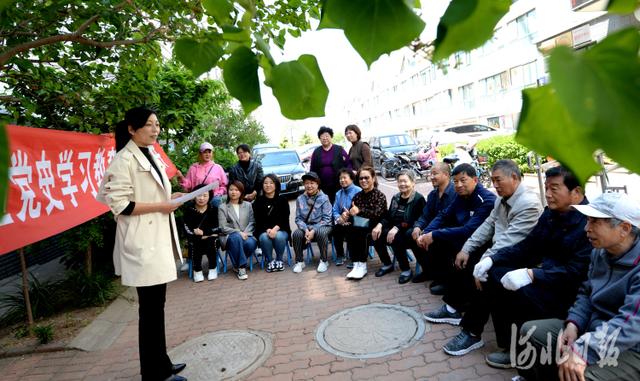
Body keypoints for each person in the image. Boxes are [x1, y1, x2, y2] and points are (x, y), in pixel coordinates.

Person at [440, 166, 591, 369]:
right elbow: (527, 246)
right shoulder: (551, 214)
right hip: (545, 273)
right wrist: (492, 260)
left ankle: (517, 351)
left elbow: (576, 272)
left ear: (577, 193)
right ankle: (479, 334)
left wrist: (532, 274)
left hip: (568, 289)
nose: (547, 194)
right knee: (492, 273)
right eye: (546, 188)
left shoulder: (589, 224)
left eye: (554, 189)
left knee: (516, 291)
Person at [96, 107, 187, 381]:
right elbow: (120, 205)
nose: (155, 129)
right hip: (142, 245)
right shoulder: (123, 161)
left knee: (156, 308)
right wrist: (162, 205)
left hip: (155, 241)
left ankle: (162, 362)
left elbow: (157, 191)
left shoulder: (151, 154)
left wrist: (175, 196)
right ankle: (153, 374)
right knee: (149, 312)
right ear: (132, 129)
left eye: (157, 124)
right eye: (149, 125)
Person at [518, 192, 640, 381]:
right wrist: (574, 324)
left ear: (624, 228)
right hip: (595, 330)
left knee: (582, 375)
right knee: (532, 331)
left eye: (594, 222)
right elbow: (586, 291)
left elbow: (630, 325)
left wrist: (583, 350)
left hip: (631, 346)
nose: (586, 228)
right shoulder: (600, 253)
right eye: (587, 220)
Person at [424, 159, 542, 325]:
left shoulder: (528, 203)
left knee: (481, 268)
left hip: (521, 255)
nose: (495, 185)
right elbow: (487, 226)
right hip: (502, 249)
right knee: (465, 252)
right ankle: (454, 306)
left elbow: (509, 239)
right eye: (493, 180)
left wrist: (485, 262)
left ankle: (470, 328)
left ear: (514, 177)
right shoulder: (500, 200)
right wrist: (466, 248)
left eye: (498, 180)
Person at [413, 163, 496, 294]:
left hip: (482, 243)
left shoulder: (486, 200)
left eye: (463, 181)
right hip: (464, 237)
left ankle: (458, 297)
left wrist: (434, 234)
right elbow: (444, 215)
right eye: (455, 181)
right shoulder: (460, 196)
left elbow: (469, 230)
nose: (458, 185)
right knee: (435, 243)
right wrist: (427, 232)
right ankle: (445, 280)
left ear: (475, 180)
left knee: (442, 241)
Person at [371, 170, 426, 284]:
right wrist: (379, 225)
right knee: (376, 234)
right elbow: (389, 216)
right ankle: (387, 264)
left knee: (397, 238)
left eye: (405, 181)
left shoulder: (418, 199)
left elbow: (415, 220)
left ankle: (405, 269)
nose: (402, 184)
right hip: (395, 228)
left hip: (409, 230)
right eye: (400, 181)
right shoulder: (396, 197)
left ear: (413, 182)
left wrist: (397, 228)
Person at [410, 162, 456, 282]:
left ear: (446, 175)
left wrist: (428, 232)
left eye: (434, 173)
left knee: (437, 242)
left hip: (450, 229)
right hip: (432, 228)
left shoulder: (455, 193)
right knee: (411, 235)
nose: (431, 177)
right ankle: (428, 271)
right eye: (430, 174)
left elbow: (447, 218)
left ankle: (443, 278)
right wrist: (418, 227)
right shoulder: (432, 195)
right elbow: (426, 215)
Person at [345, 166, 388, 280]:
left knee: (357, 228)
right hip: (361, 226)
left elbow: (377, 214)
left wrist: (359, 211)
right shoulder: (357, 196)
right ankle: (356, 263)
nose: (363, 180)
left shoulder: (379, 196)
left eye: (366, 178)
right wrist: (347, 214)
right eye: (360, 178)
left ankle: (362, 264)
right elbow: (352, 212)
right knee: (350, 226)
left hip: (377, 226)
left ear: (373, 178)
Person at [291, 172, 333, 273]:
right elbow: (298, 218)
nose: (309, 186)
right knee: (296, 234)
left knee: (321, 233)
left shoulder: (324, 198)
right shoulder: (300, 199)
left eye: (312, 183)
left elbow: (327, 218)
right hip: (306, 227)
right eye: (306, 183)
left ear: (317, 184)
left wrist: (313, 230)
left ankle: (324, 260)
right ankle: (300, 261)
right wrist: (305, 229)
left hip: (323, 225)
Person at [218, 181, 257, 280]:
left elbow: (252, 222)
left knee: (250, 244)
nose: (233, 192)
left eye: (236, 190)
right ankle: (241, 267)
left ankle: (236, 264)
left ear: (241, 192)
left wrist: (246, 233)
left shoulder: (248, 205)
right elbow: (223, 227)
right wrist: (239, 233)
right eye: (231, 190)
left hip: (247, 235)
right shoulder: (222, 207)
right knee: (236, 238)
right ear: (227, 191)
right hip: (229, 236)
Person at [253, 174, 291, 272]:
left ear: (276, 185)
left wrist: (275, 229)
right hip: (263, 230)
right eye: (265, 183)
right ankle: (270, 261)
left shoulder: (283, 200)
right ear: (262, 185)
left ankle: (279, 260)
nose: (268, 185)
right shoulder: (258, 201)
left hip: (281, 229)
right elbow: (258, 220)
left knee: (279, 236)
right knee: (265, 237)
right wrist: (268, 229)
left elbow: (284, 218)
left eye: (271, 183)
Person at [182, 184, 220, 282]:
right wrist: (197, 235)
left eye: (205, 195)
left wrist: (204, 233)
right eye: (199, 195)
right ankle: (197, 270)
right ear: (194, 196)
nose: (201, 198)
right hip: (194, 239)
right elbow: (186, 228)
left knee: (211, 240)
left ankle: (213, 268)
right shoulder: (189, 210)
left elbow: (218, 228)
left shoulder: (213, 210)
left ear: (209, 196)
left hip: (211, 239)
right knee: (196, 242)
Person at [176, 142, 227, 207]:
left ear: (212, 154)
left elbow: (224, 184)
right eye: (205, 152)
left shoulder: (218, 167)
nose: (207, 154)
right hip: (198, 199)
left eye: (209, 152)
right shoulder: (193, 168)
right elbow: (188, 185)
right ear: (200, 154)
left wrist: (218, 194)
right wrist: (181, 177)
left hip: (213, 199)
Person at [310, 126, 351, 204]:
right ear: (319, 138)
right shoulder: (316, 152)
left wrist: (347, 178)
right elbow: (312, 169)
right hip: (322, 186)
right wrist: (312, 184)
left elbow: (348, 164)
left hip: (338, 184)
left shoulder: (339, 149)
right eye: (322, 136)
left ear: (331, 137)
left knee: (338, 204)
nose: (325, 138)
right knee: (325, 205)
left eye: (327, 136)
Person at [332, 168, 362, 266]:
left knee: (351, 228)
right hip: (343, 220)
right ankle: (340, 255)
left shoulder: (359, 191)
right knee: (336, 229)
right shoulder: (338, 193)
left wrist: (350, 215)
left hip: (358, 220)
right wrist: (339, 218)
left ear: (352, 179)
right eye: (340, 178)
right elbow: (335, 210)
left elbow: (361, 210)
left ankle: (354, 257)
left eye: (345, 178)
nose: (342, 180)